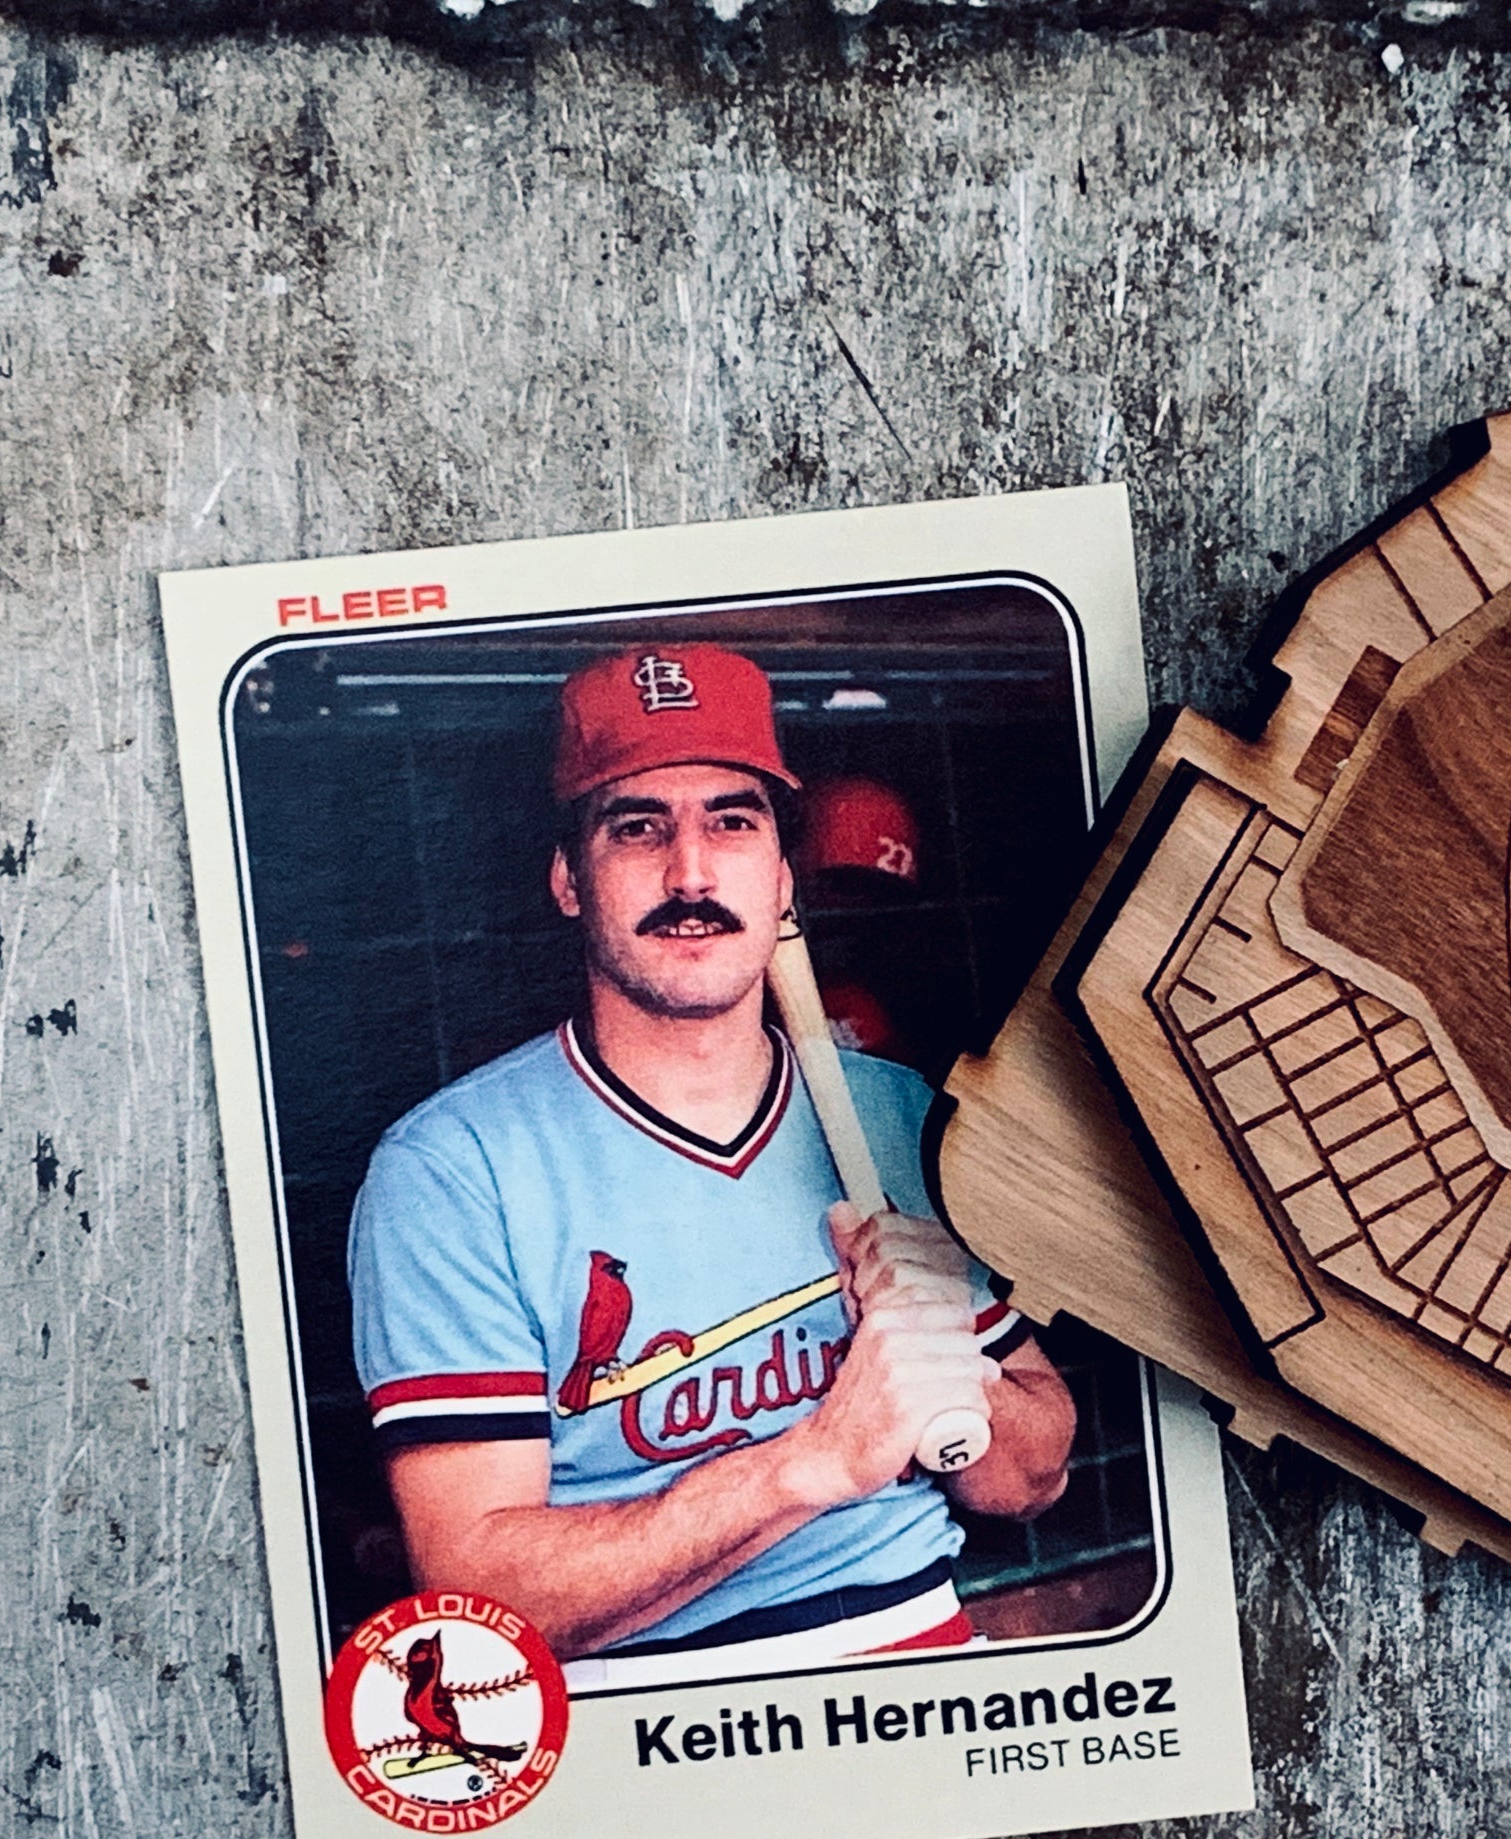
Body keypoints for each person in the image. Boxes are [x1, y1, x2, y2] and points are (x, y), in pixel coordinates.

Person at [345, 642, 1075, 1677]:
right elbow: (477, 1601)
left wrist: (945, 1357)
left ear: (782, 880)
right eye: (637, 828)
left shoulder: (894, 1116)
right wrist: (815, 1459)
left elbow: (1026, 1479)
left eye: (731, 821)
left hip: (926, 1673)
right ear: (568, 879)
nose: (691, 873)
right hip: (652, 1721)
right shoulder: (453, 1170)